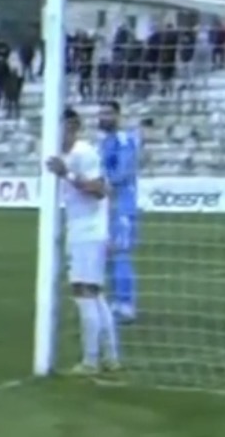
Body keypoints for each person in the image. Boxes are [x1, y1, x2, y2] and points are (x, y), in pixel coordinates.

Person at [45, 108, 119, 374]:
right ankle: (110, 357)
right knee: (94, 293)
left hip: (88, 231)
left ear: (72, 126)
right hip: (81, 229)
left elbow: (100, 190)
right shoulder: (64, 154)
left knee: (83, 292)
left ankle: (91, 360)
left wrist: (67, 174)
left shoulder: (83, 153)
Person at [97, 101, 139, 323]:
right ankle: (115, 301)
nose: (104, 117)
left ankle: (126, 304)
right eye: (101, 113)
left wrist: (102, 182)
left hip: (122, 206)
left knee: (121, 253)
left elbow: (123, 172)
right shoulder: (104, 142)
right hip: (105, 206)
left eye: (108, 113)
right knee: (108, 255)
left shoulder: (124, 140)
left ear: (117, 116)